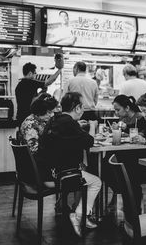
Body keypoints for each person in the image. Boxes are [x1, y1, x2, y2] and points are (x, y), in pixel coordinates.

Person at [40, 92, 101, 235]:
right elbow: (89, 141)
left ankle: (82, 215)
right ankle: (80, 215)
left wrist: (76, 126)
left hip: (48, 172)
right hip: (60, 176)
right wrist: (92, 126)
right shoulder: (68, 123)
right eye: (83, 107)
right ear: (78, 108)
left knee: (85, 169)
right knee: (96, 182)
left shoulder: (56, 119)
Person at [19, 93, 58, 158]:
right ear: (40, 111)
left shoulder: (38, 120)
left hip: (39, 156)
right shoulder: (30, 126)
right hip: (36, 161)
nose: (52, 115)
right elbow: (34, 150)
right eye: (49, 112)